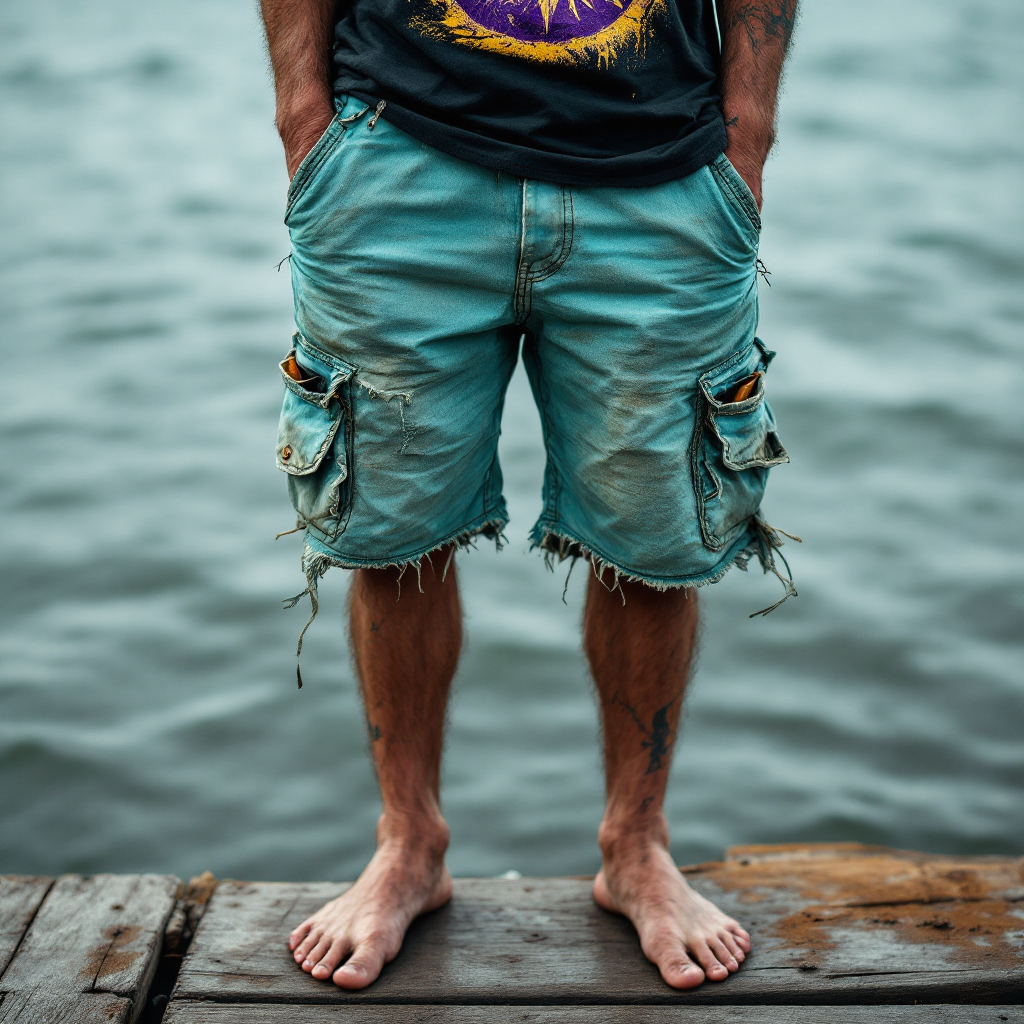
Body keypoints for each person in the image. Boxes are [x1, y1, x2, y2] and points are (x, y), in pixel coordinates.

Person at [261, 0, 798, 992]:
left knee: (654, 537)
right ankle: (407, 840)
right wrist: (302, 114)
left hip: (663, 163)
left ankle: (635, 843)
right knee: (393, 529)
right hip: (394, 153)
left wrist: (747, 127)